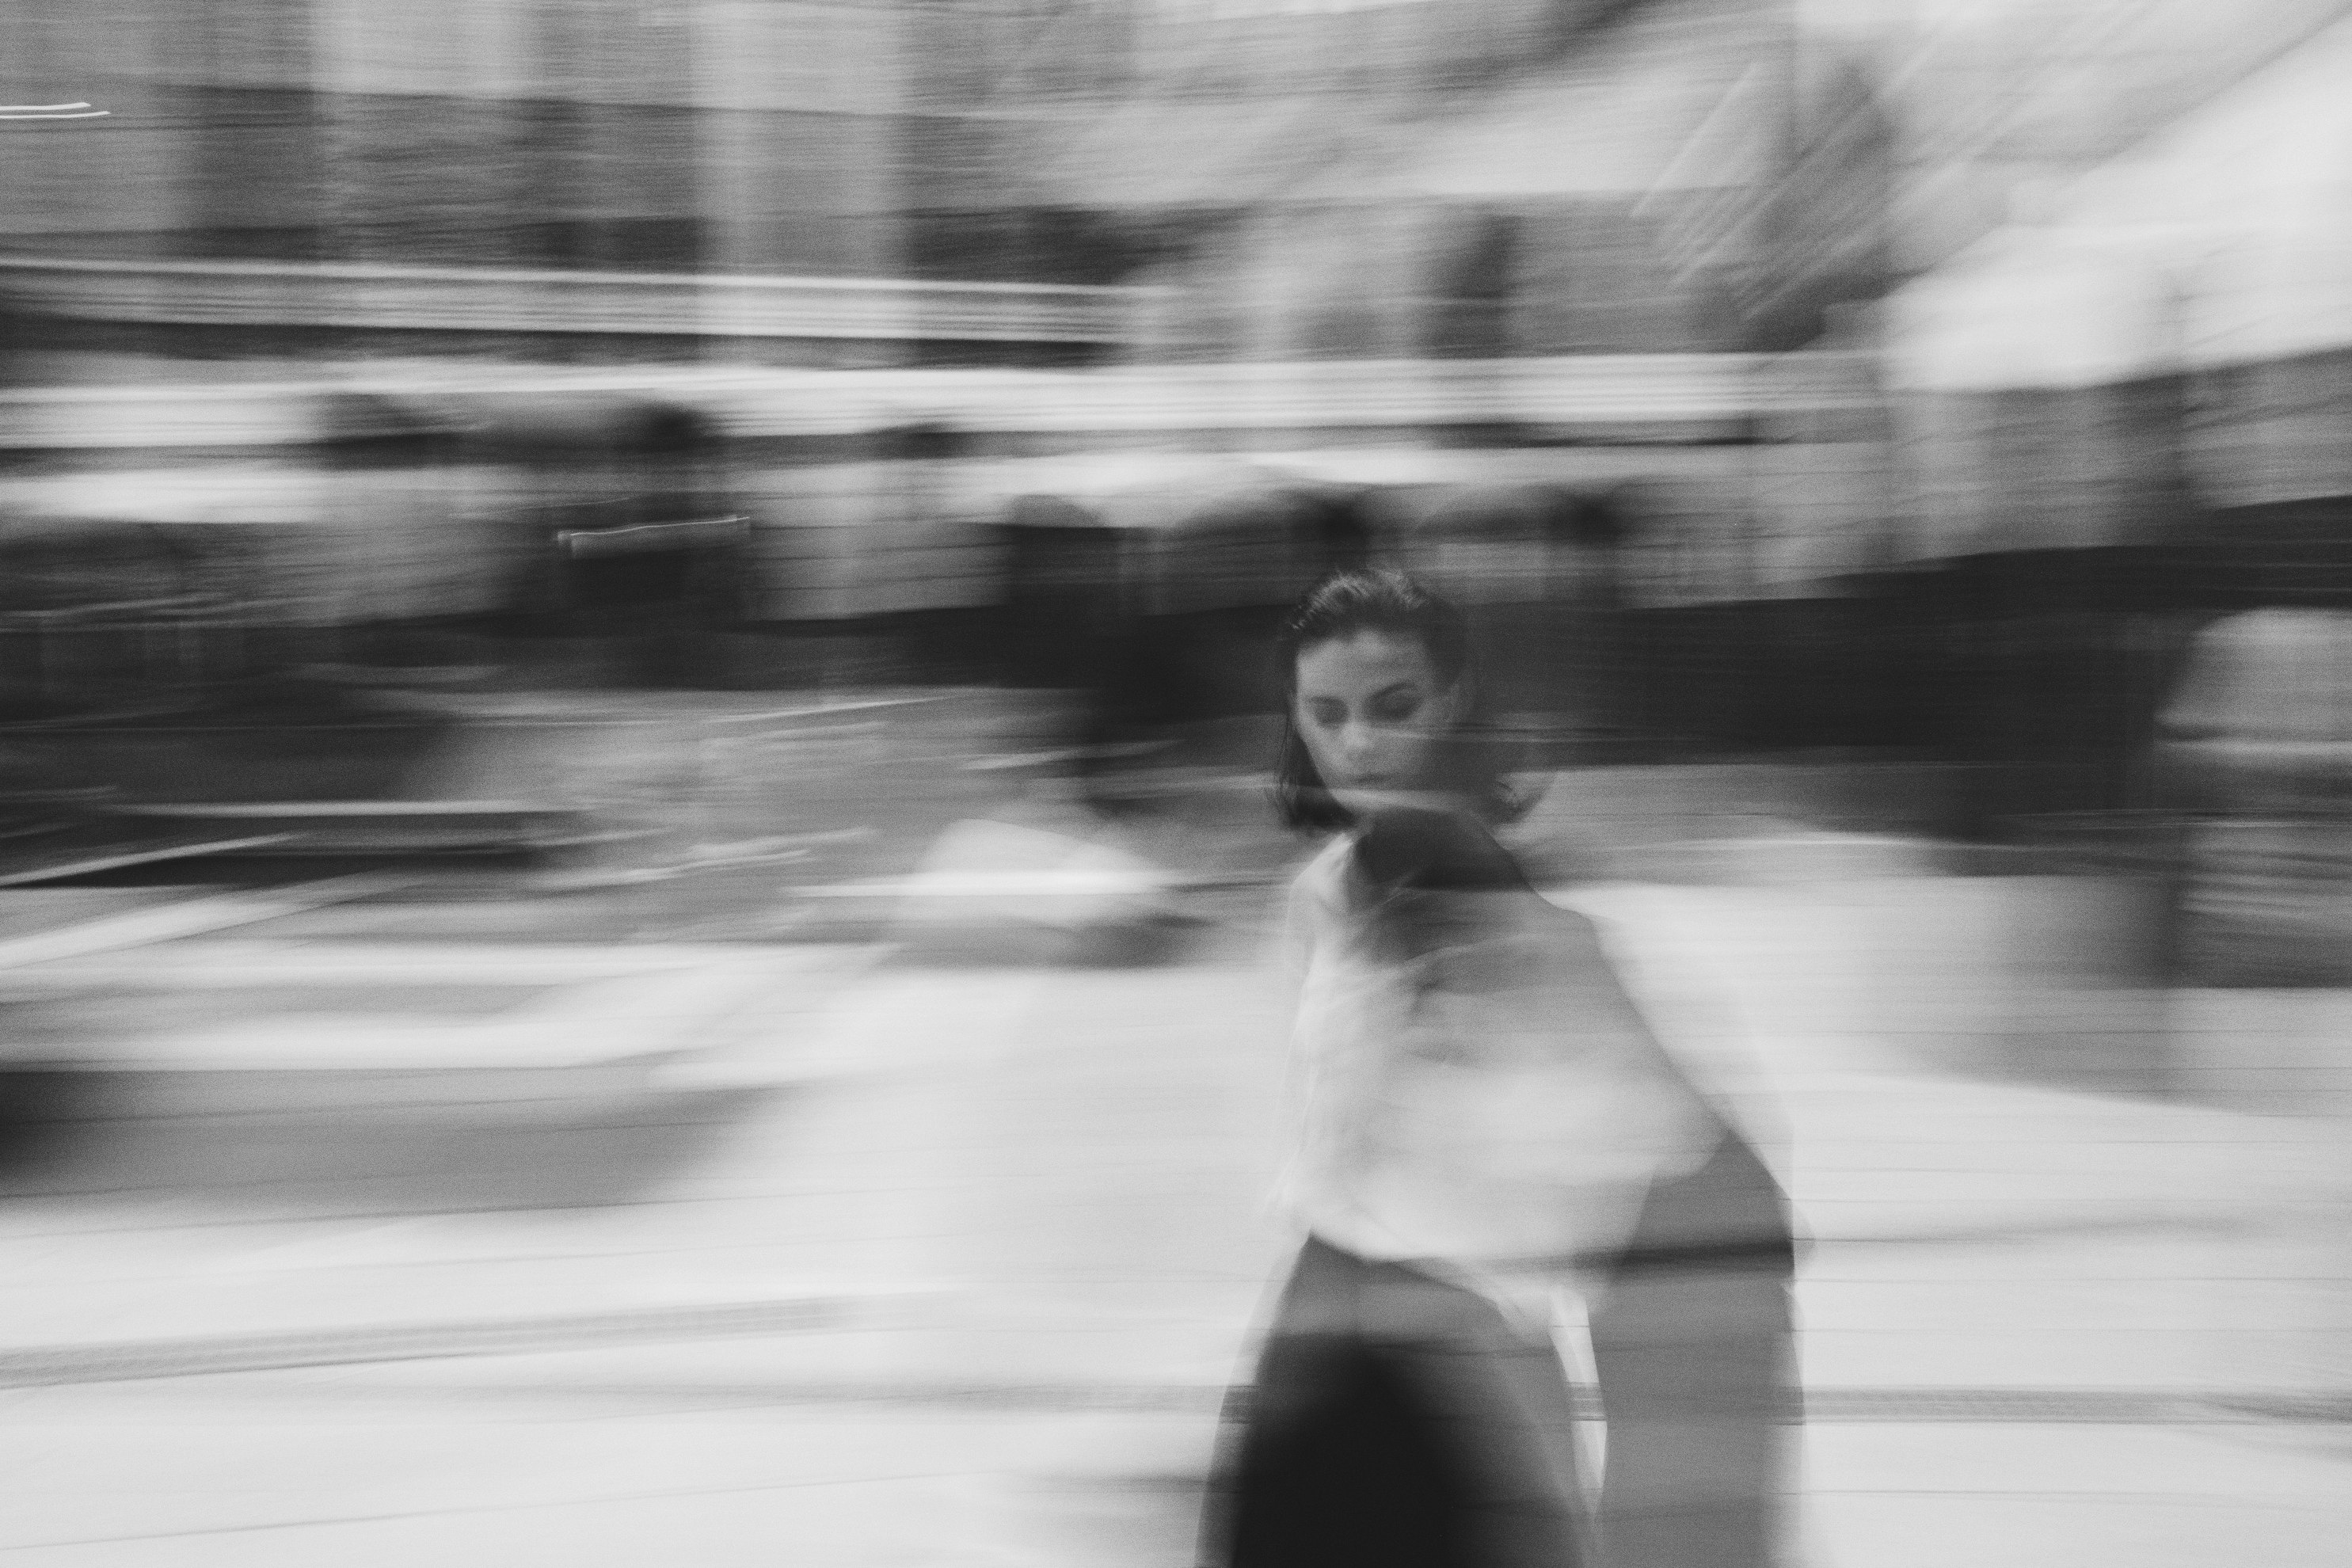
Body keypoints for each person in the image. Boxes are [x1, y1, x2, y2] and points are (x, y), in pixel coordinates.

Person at [1199, 567, 1799, 1568]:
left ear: (1455, 701)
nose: (1358, 743)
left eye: (1394, 706)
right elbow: (1314, 1143)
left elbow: (1683, 1154)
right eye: (1326, 713)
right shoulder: (1314, 901)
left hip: (1473, 1347)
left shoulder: (1531, 925)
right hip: (1336, 1318)